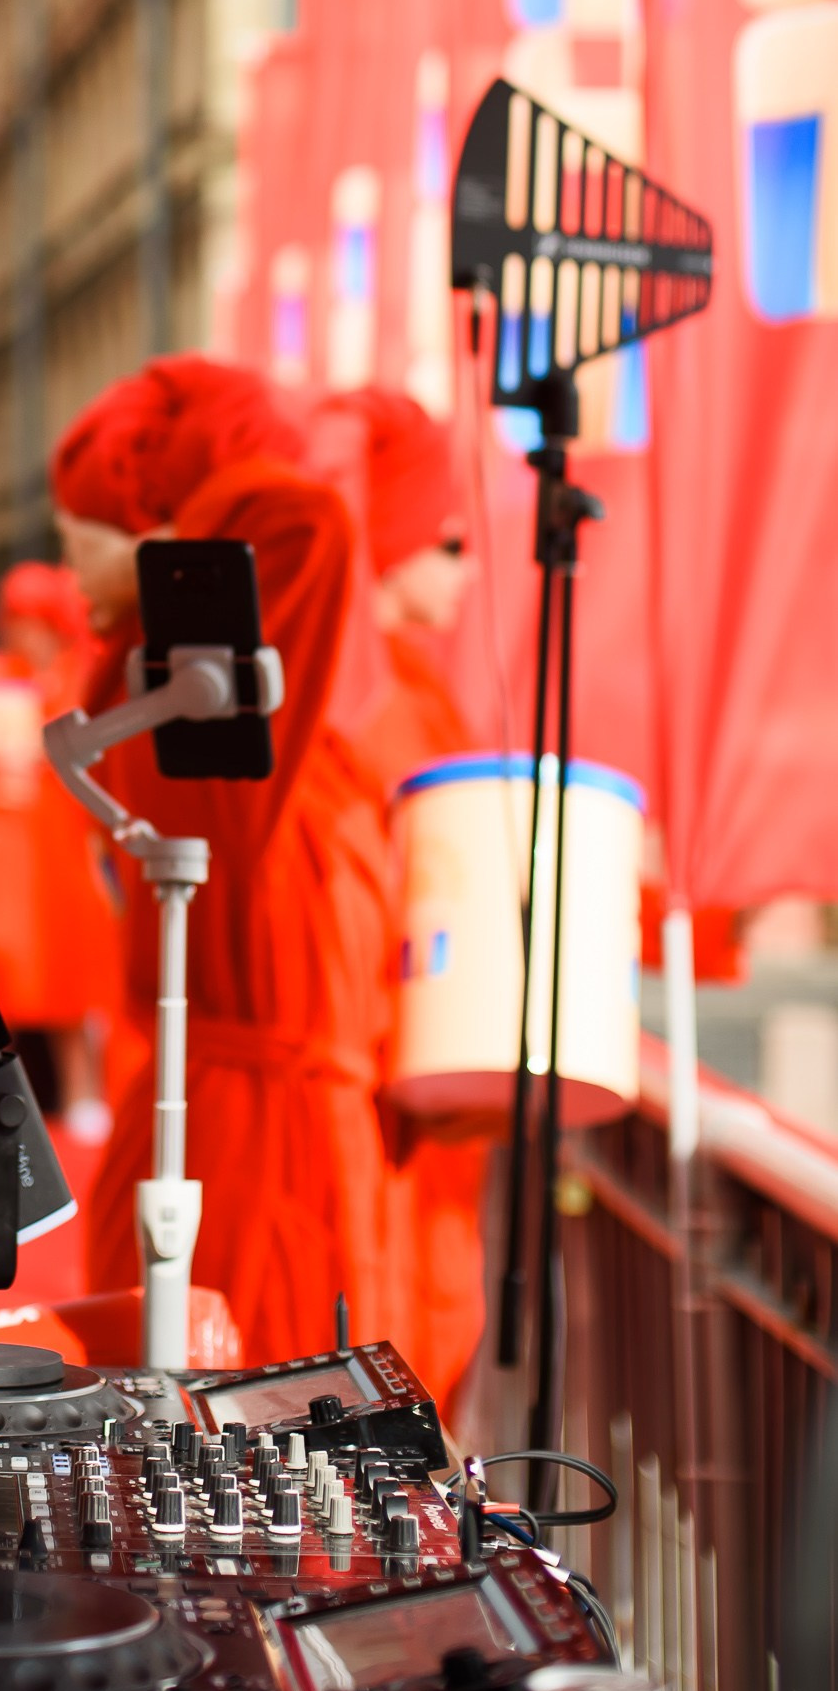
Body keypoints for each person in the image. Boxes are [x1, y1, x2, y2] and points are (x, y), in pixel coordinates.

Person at [55, 357, 385, 1367]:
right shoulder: (173, 684)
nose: (74, 573)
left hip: (236, 1130)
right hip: (238, 1148)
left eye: (82, 539)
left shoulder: (179, 675)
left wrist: (165, 521)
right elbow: (306, 519)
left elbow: (299, 520)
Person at [310, 386, 489, 1405]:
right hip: (380, 1077)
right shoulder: (367, 693)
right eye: (449, 539)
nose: (467, 570)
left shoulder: (409, 684)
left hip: (414, 1078)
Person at [0, 562, 117, 1137]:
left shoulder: (78, 674)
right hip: (2, 844)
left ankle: (85, 1090)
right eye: (17, 620)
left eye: (36, 620)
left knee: (70, 972)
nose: (25, 632)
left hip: (61, 841)